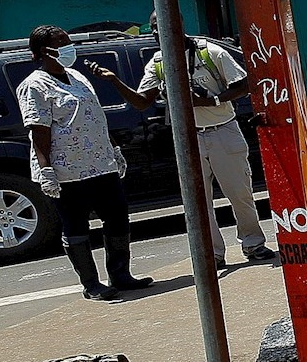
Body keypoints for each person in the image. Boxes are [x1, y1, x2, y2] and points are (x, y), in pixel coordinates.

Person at [115, 28, 278, 267]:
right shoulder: (159, 62)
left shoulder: (210, 52)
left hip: (223, 129)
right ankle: (212, 253)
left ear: (176, 22)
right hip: (188, 138)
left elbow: (244, 85)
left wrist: (209, 100)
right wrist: (114, 81)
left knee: (240, 193)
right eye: (153, 28)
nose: (157, 31)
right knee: (198, 200)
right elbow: (142, 102)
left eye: (161, 24)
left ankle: (253, 243)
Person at [18, 26, 155, 301]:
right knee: (76, 226)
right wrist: (46, 170)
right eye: (62, 42)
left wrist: (113, 149)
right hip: (67, 170)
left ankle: (121, 274)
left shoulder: (77, 76)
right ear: (45, 51)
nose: (69, 46)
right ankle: (91, 284)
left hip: (101, 164)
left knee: (117, 218)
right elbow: (39, 131)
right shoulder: (34, 85)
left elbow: (93, 117)